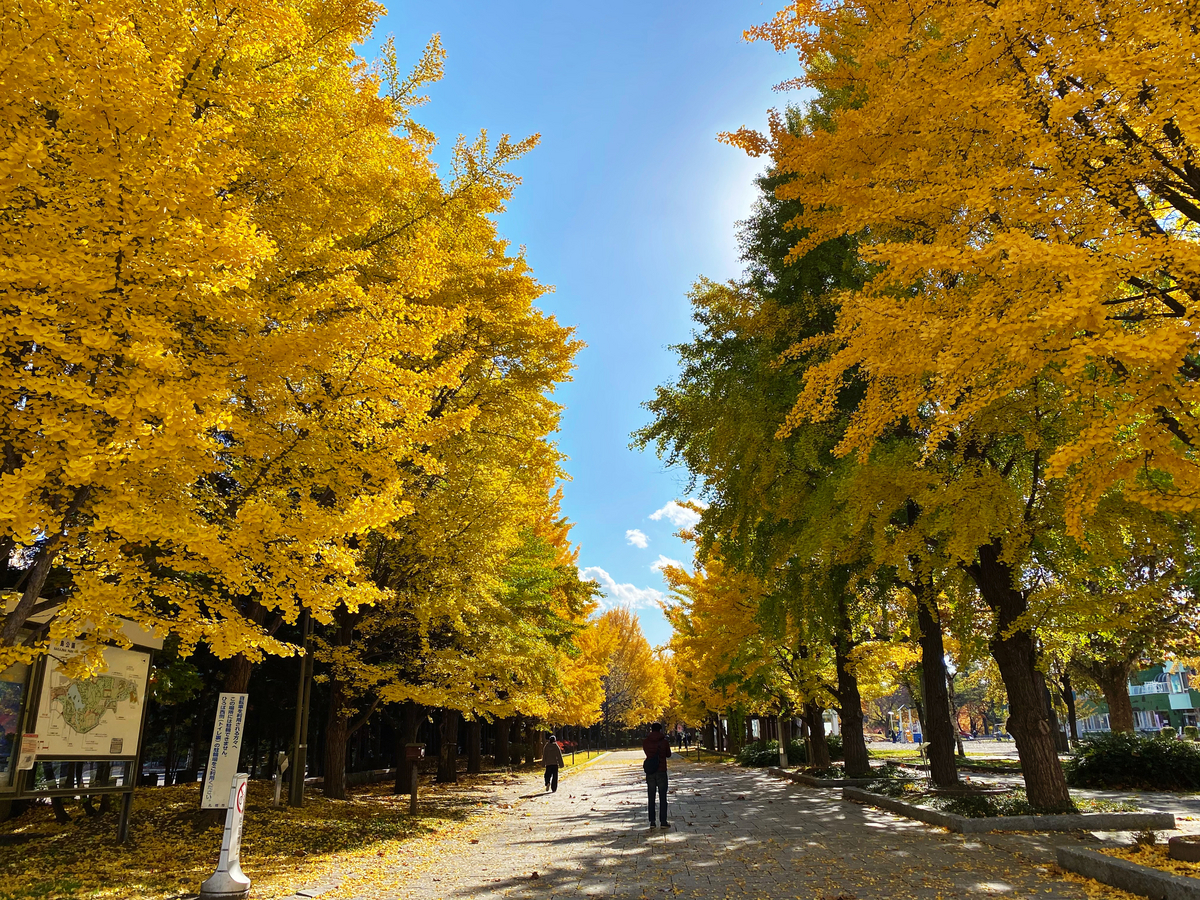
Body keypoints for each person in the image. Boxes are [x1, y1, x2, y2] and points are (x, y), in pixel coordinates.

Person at [642, 722, 672, 827]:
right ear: (660, 730)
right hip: (661, 770)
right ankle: (663, 821)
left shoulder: (646, 742)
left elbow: (647, 753)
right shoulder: (664, 742)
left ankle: (652, 821)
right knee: (663, 797)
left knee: (651, 796)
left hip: (650, 771)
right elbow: (668, 754)